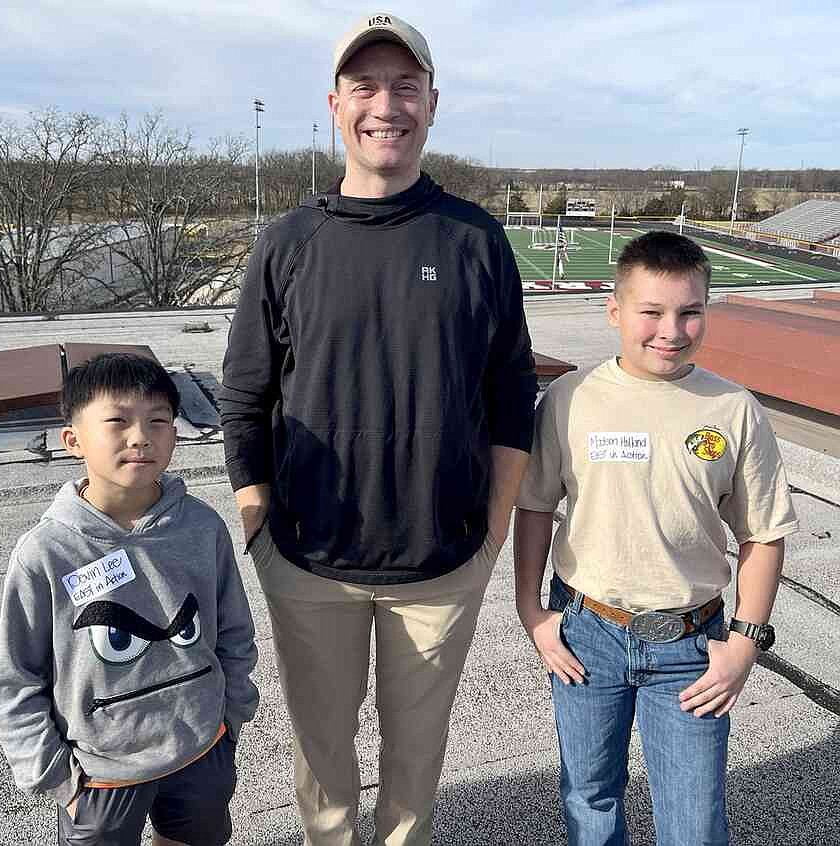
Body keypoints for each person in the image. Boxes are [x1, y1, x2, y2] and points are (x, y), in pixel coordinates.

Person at [219, 12, 537, 846]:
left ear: (434, 102)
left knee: (415, 762)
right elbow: (245, 395)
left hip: (441, 559)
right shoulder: (288, 243)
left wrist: (494, 529)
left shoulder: (476, 239)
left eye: (405, 86)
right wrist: (259, 523)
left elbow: (511, 394)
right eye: (366, 86)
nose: (385, 105)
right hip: (308, 561)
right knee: (323, 762)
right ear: (335, 104)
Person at [514, 231, 798, 845]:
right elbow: (534, 506)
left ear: (706, 311)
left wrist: (745, 644)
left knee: (693, 823)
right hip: (586, 635)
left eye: (689, 312)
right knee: (589, 800)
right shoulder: (570, 399)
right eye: (651, 312)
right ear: (615, 310)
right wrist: (531, 610)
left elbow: (764, 534)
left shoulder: (732, 409)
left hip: (691, 647)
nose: (670, 330)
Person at [0, 353, 259, 846]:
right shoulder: (47, 552)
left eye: (159, 421)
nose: (141, 437)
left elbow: (235, 631)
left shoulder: (201, 527)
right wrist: (58, 779)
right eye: (118, 421)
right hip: (100, 773)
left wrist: (231, 719)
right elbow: (15, 680)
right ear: (73, 440)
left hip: (202, 746)